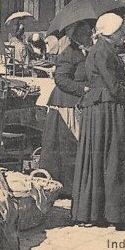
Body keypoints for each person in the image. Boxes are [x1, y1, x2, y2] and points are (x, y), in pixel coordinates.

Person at [71, 13, 125, 228]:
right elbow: (113, 86)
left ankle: (97, 211)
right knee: (114, 159)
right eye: (121, 30)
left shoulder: (103, 48)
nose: (124, 34)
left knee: (99, 160)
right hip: (107, 110)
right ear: (112, 31)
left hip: (101, 110)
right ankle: (117, 214)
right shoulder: (103, 51)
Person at [39, 20, 91, 198]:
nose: (89, 35)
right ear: (76, 35)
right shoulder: (69, 54)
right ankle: (67, 187)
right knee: (67, 146)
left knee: (72, 147)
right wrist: (82, 89)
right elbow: (60, 79)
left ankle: (74, 185)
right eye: (85, 33)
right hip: (64, 105)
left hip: (74, 103)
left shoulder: (83, 51)